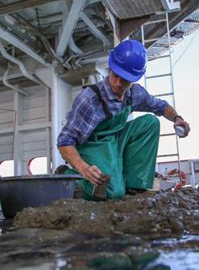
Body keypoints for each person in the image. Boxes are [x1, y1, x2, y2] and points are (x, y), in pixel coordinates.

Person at [57, 39, 190, 200]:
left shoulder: (135, 93)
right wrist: (83, 168)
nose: (118, 84)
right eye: (115, 76)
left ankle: (134, 186)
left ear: (134, 79)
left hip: (116, 138)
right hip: (92, 144)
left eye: (125, 80)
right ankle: (68, 176)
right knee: (113, 193)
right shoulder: (89, 100)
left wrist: (177, 118)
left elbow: (161, 107)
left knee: (150, 123)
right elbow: (64, 142)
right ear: (110, 69)